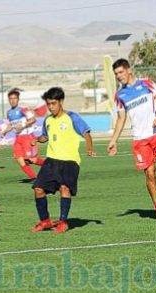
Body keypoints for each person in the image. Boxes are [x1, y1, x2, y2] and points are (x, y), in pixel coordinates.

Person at [107, 58, 156, 222]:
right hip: (141, 140)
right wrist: (114, 140)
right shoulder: (120, 95)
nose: (118, 76)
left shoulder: (147, 83)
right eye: (116, 74)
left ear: (129, 70)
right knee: (150, 174)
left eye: (121, 72)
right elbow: (121, 118)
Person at [31, 87, 95, 234]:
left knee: (64, 188)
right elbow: (45, 136)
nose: (51, 107)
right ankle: (45, 221)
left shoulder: (72, 117)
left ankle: (63, 222)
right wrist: (37, 139)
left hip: (70, 161)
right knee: (38, 189)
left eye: (53, 103)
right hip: (51, 160)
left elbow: (86, 132)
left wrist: (89, 147)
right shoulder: (47, 120)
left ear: (61, 101)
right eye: (48, 104)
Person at [2, 88, 45, 180]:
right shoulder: (9, 112)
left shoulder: (23, 109)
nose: (12, 100)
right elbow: (11, 125)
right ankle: (34, 178)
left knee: (31, 159)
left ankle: (50, 166)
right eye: (11, 98)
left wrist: (23, 125)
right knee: (20, 161)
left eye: (14, 98)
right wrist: (4, 132)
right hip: (17, 138)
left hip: (27, 137)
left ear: (18, 99)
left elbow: (33, 119)